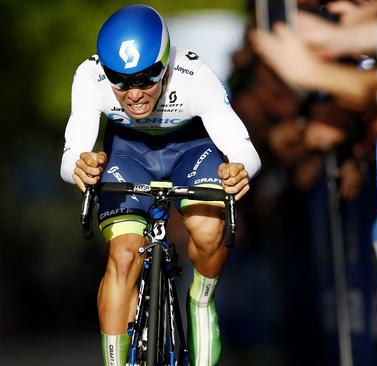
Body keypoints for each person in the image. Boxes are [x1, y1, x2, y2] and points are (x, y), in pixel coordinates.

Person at [59, 4, 261, 366]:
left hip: (192, 149)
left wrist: (238, 170)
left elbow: (244, 150)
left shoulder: (195, 75)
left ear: (166, 65)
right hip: (129, 154)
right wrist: (81, 166)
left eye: (147, 77)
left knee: (208, 230)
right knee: (123, 256)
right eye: (119, 79)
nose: (133, 92)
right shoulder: (90, 76)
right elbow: (72, 154)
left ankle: (200, 298)